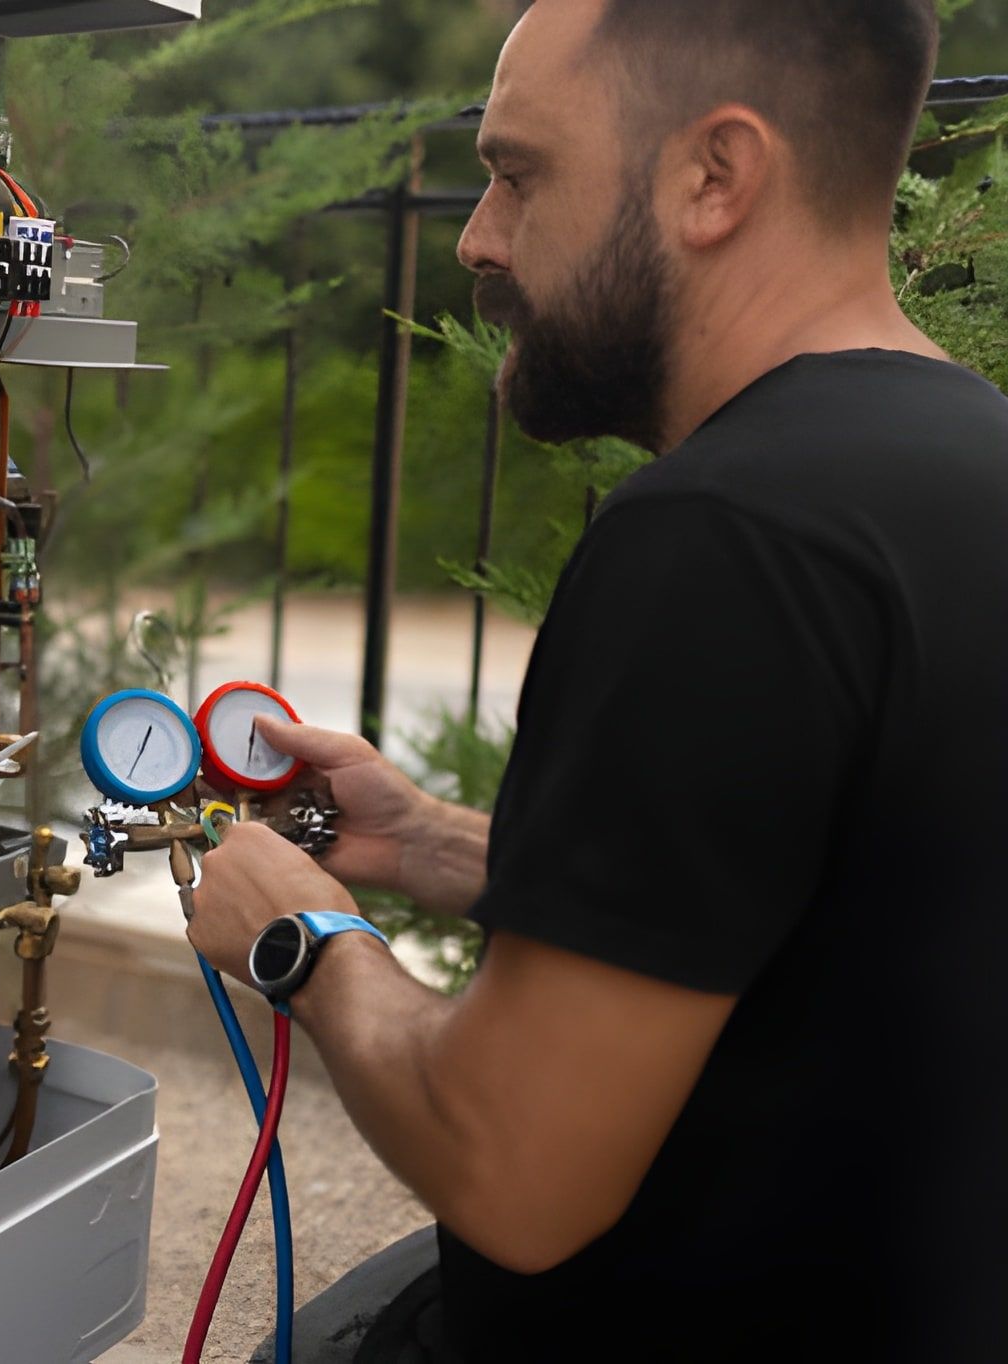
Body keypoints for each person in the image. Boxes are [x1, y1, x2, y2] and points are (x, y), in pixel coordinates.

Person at [187, 0, 1008, 1358]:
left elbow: (515, 1174)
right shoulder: (966, 462)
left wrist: (303, 939)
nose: (474, 239)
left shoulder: (724, 537)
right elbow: (854, 931)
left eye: (519, 173)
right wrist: (443, 847)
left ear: (714, 176)